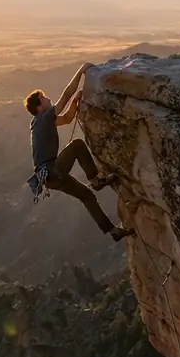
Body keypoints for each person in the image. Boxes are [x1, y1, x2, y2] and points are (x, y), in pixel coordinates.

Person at [26, 62, 134, 241]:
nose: (47, 99)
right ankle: (96, 179)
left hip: (49, 178)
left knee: (87, 196)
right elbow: (66, 95)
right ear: (39, 107)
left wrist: (76, 101)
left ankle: (113, 232)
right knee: (77, 145)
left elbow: (67, 119)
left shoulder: (38, 122)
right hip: (53, 172)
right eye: (43, 98)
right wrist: (81, 71)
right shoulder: (44, 118)